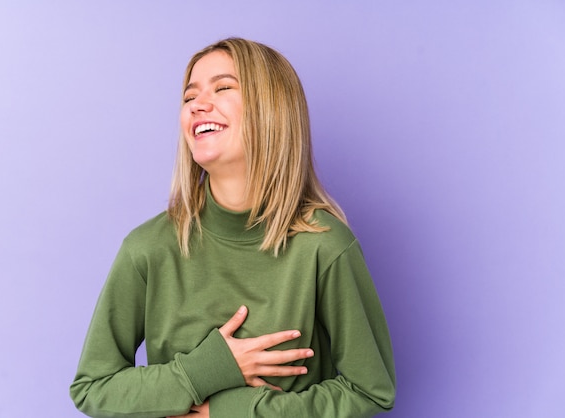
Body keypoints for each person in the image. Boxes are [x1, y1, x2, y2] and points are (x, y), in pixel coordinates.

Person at [70, 37, 396, 418]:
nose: (198, 105)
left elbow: (372, 391)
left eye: (223, 88)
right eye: (190, 97)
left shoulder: (324, 247)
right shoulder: (147, 248)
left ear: (271, 109)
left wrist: (230, 411)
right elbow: (93, 388)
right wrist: (204, 369)